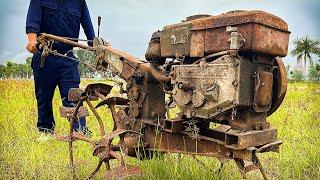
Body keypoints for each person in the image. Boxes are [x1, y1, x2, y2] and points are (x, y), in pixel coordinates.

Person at [26, 0, 95, 140]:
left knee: (73, 95)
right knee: (43, 96)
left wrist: (96, 44)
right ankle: (46, 131)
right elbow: (32, 22)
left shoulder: (79, 2)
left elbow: (89, 28)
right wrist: (32, 40)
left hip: (67, 56)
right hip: (44, 55)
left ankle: (80, 131)